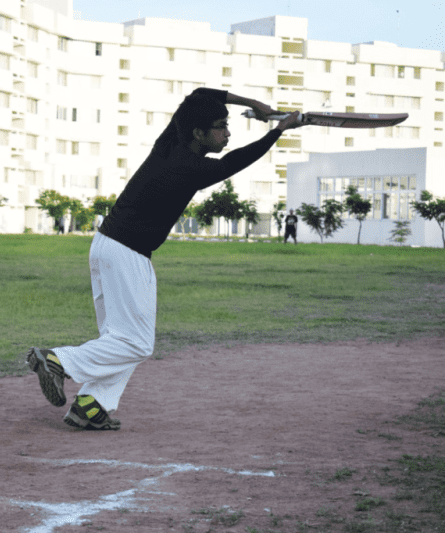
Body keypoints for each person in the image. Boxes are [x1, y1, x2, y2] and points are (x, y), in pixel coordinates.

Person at [26, 88, 304, 430]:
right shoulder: (188, 166)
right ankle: (57, 360)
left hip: (110, 247)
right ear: (198, 133)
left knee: (121, 337)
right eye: (220, 126)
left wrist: (252, 104)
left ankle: (91, 404)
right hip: (125, 252)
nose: (227, 133)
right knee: (137, 343)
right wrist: (276, 131)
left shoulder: (170, 140)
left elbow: (200, 94)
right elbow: (234, 163)